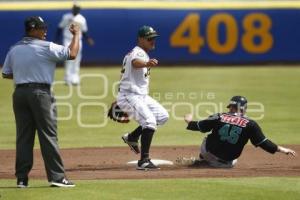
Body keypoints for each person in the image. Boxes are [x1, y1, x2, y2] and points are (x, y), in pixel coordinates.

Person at [2, 16, 80, 187]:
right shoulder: (47, 46)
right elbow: (72, 54)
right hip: (40, 94)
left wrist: (25, 74)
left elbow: (6, 73)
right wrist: (76, 36)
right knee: (48, 135)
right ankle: (57, 178)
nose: (45, 31)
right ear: (32, 29)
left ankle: (22, 179)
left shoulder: (14, 49)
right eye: (41, 28)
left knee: (24, 137)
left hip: (20, 94)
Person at [183, 96, 296, 168]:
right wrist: (283, 150)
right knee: (234, 160)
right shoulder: (251, 124)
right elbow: (264, 143)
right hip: (225, 163)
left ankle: (203, 160)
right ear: (244, 108)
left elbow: (200, 126)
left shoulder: (220, 116)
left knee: (207, 138)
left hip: (207, 152)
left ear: (231, 107)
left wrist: (188, 121)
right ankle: (210, 163)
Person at [117, 25, 169, 170]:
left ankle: (133, 137)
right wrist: (146, 63)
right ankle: (144, 161)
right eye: (149, 38)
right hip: (130, 96)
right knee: (150, 121)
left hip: (141, 96)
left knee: (162, 116)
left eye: (154, 38)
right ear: (140, 39)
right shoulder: (138, 53)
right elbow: (135, 63)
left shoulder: (142, 52)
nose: (153, 41)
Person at [56, 4, 94, 85]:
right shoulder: (66, 17)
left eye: (77, 9)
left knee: (77, 59)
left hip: (77, 40)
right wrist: (56, 39)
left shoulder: (82, 19)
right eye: (75, 8)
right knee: (68, 58)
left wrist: (88, 39)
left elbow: (84, 31)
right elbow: (60, 27)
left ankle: (75, 78)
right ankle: (67, 78)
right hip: (67, 39)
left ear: (79, 9)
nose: (76, 10)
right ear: (72, 9)